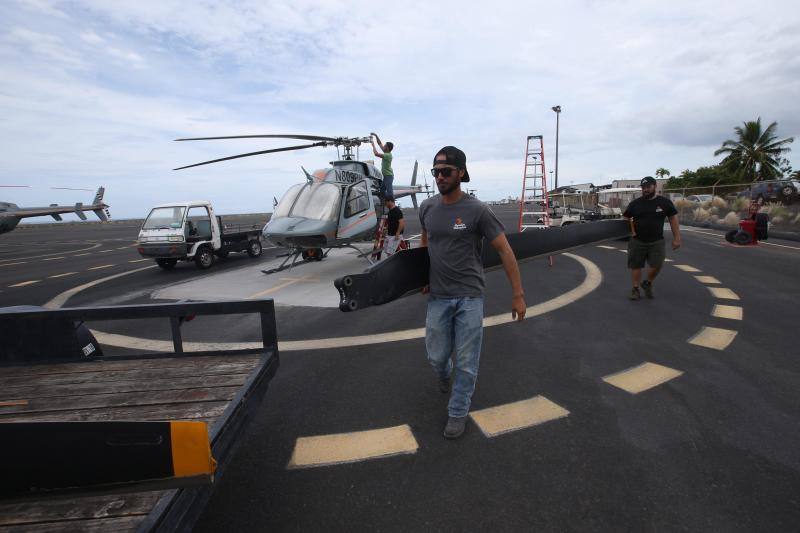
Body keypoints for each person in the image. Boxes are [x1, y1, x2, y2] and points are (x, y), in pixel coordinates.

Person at [419, 146, 526, 439]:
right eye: (436, 172)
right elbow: (426, 241)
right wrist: (421, 274)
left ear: (461, 173)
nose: (439, 177)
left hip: (469, 296)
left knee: (467, 362)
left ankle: (458, 410)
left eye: (446, 171)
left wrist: (517, 294)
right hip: (438, 296)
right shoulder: (427, 208)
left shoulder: (477, 210)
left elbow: (504, 250)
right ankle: (443, 373)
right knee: (436, 358)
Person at [623, 176, 681, 300]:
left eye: (648, 187)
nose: (645, 190)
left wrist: (677, 238)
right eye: (643, 188)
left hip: (657, 241)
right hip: (637, 241)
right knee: (636, 266)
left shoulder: (664, 202)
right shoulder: (635, 204)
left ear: (655, 186)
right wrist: (630, 231)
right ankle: (635, 289)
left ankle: (647, 282)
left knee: (657, 265)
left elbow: (673, 218)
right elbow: (626, 218)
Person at [370, 132, 394, 198]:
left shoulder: (387, 155)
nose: (383, 146)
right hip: (386, 176)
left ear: (388, 148)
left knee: (390, 192)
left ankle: (392, 204)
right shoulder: (386, 152)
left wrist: (373, 145)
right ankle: (385, 202)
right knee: (382, 191)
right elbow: (380, 143)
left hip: (388, 176)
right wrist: (376, 135)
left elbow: (376, 154)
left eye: (385, 146)